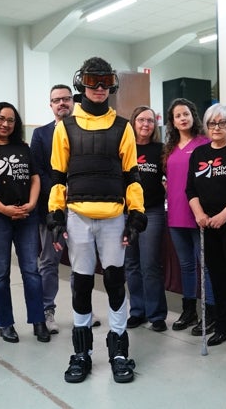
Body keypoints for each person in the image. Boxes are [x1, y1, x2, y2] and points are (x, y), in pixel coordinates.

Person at [47, 56, 146, 384]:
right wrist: (56, 214)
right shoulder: (65, 127)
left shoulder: (123, 127)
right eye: (93, 81)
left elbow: (132, 175)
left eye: (105, 81)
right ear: (82, 83)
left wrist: (136, 213)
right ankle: (82, 353)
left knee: (116, 282)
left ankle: (119, 350)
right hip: (78, 217)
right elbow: (58, 176)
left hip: (114, 217)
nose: (100, 88)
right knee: (82, 284)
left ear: (112, 83)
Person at [0, 102, 50, 344]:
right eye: (0, 118)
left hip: (27, 216)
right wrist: (4, 209)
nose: (5, 124)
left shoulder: (23, 148)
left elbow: (36, 178)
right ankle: (5, 323)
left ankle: (39, 321)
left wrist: (31, 204)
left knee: (32, 269)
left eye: (10, 120)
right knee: (0, 271)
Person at [185, 103, 226, 347]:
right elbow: (191, 189)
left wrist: (223, 216)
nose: (216, 127)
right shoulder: (199, 154)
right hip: (207, 226)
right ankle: (223, 328)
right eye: (212, 123)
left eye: (222, 123)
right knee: (217, 278)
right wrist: (199, 214)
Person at [163, 98, 215, 335]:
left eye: (186, 114)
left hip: (199, 214)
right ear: (172, 122)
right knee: (186, 265)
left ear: (193, 116)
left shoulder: (205, 143)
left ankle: (210, 313)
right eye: (177, 116)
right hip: (175, 214)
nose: (182, 118)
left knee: (205, 265)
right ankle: (189, 310)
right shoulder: (170, 148)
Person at [30, 84, 75, 334]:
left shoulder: (83, 130)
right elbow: (38, 171)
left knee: (83, 261)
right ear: (51, 105)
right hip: (51, 207)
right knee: (49, 261)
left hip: (82, 206)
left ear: (73, 102)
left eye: (66, 99)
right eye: (56, 100)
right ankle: (47, 311)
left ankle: (83, 311)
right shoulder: (40, 135)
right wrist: (61, 190)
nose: (62, 104)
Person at [124, 106, 168, 332]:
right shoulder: (124, 147)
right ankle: (137, 311)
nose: (145, 124)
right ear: (133, 122)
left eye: (150, 121)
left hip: (152, 211)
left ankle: (156, 314)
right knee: (131, 264)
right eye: (141, 119)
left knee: (150, 264)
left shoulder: (161, 150)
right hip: (126, 214)